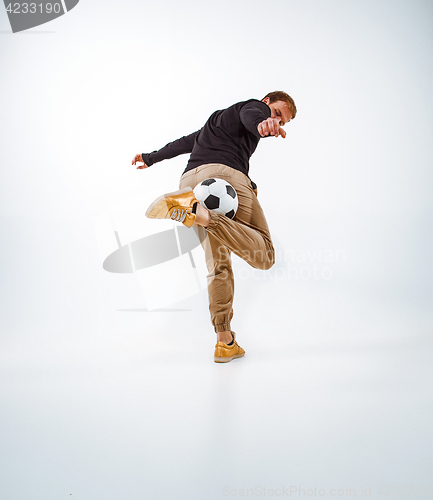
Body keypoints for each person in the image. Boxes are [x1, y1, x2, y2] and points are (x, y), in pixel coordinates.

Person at [131, 91, 297, 363]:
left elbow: (185, 142)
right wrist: (261, 123)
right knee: (265, 255)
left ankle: (224, 341)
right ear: (267, 101)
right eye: (277, 113)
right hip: (225, 176)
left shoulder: (216, 122)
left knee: (219, 263)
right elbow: (252, 114)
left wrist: (151, 157)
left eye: (283, 122)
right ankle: (206, 217)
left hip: (190, 182)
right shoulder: (253, 108)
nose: (276, 121)